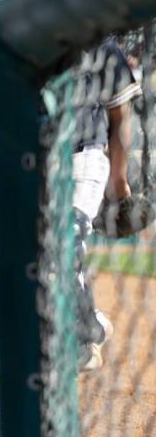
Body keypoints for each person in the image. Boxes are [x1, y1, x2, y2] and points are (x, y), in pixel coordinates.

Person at [70, 39, 139, 369]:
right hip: (37, 163)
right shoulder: (30, 39)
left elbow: (120, 115)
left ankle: (82, 344)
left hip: (85, 158)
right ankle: (92, 324)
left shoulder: (101, 46)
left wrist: (119, 178)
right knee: (48, 254)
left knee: (69, 244)